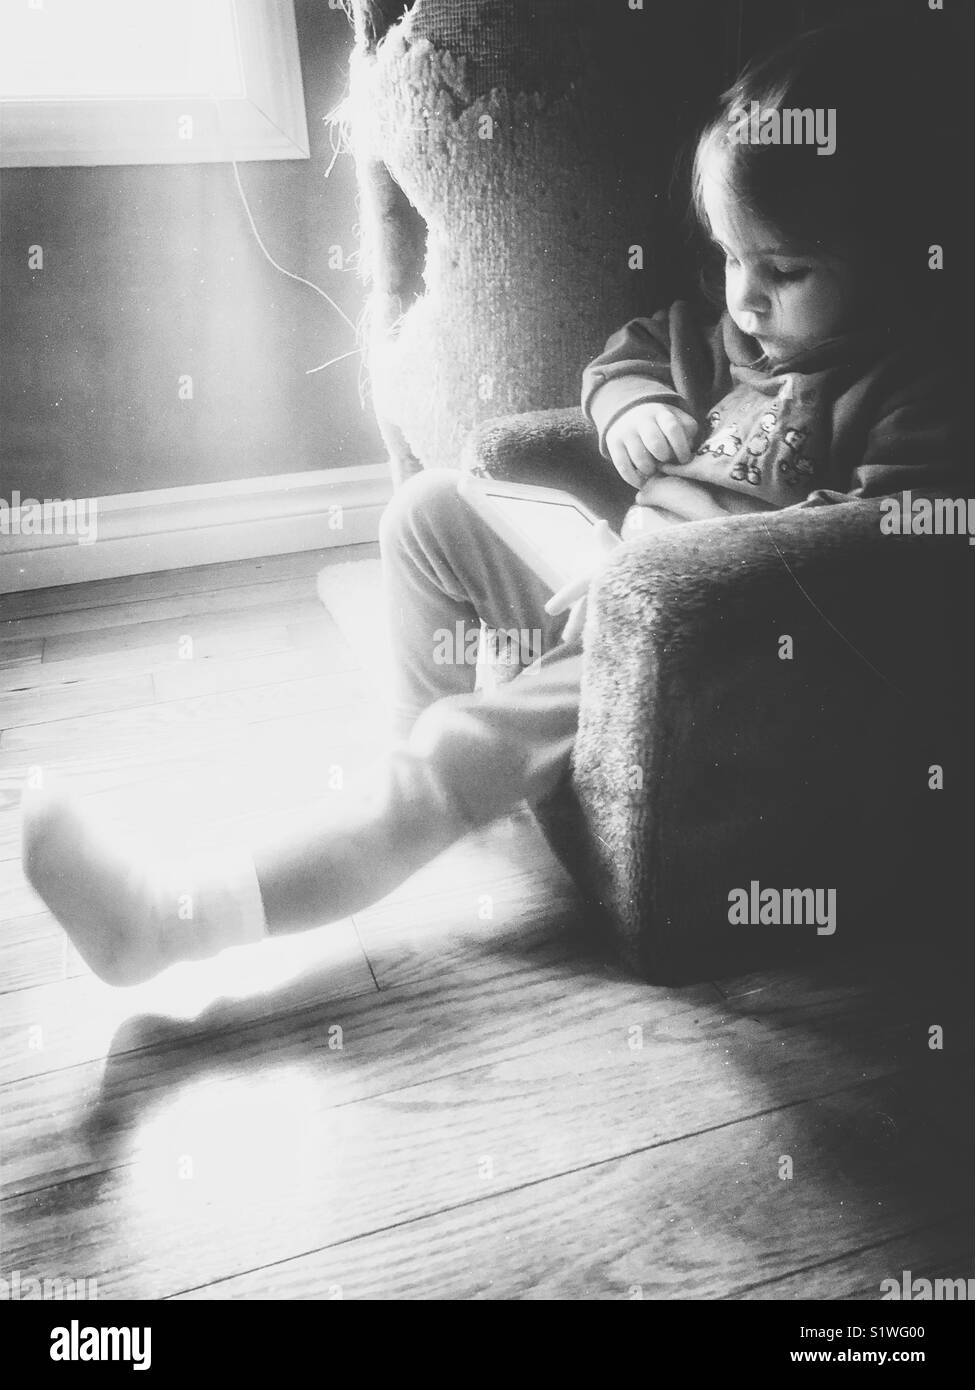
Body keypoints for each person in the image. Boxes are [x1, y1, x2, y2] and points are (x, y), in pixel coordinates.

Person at [20, 23, 965, 987]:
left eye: (786, 273)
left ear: (889, 257)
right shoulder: (728, 337)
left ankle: (176, 920)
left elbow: (875, 564)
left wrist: (653, 579)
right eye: (732, 258)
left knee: (456, 753)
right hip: (605, 574)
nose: (748, 298)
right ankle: (421, 759)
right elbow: (630, 350)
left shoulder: (912, 392)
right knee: (428, 512)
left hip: (690, 654)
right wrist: (628, 401)